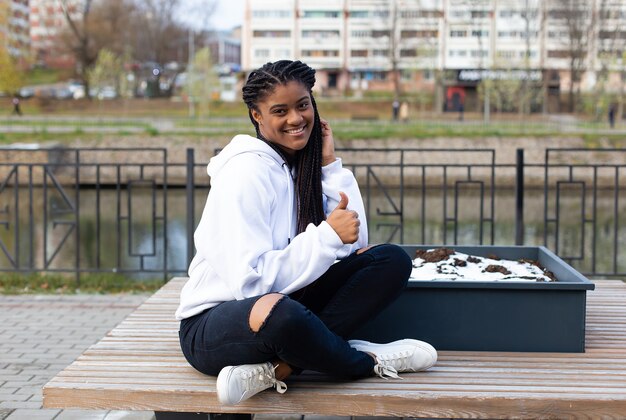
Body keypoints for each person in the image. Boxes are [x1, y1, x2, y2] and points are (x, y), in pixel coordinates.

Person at [176, 60, 437, 406]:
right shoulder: (245, 173)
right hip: (216, 322)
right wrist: (327, 235)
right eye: (280, 111)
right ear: (257, 116)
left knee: (389, 260)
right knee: (282, 314)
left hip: (286, 298)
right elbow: (252, 285)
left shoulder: (300, 165)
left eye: (302, 105)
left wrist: (330, 165)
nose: (296, 119)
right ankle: (365, 362)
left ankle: (280, 369)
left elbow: (354, 244)